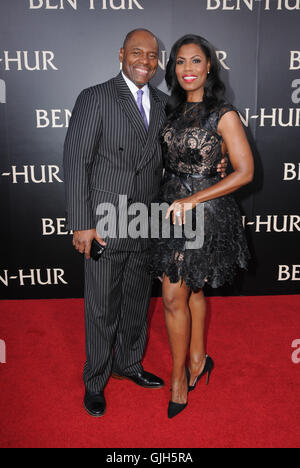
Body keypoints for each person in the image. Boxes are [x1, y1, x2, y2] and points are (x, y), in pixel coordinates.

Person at [64, 29, 227, 418]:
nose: (144, 61)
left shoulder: (163, 102)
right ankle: (96, 380)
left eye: (152, 56)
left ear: (159, 62)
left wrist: (217, 164)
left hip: (149, 220)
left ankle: (129, 364)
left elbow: (184, 151)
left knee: (138, 300)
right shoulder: (96, 97)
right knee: (102, 306)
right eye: (137, 52)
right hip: (105, 219)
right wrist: (82, 223)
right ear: (121, 54)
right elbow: (75, 163)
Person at [148, 34, 254, 419]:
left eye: (195, 61)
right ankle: (196, 359)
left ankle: (178, 378)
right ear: (172, 69)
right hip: (169, 210)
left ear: (210, 66)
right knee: (188, 289)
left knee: (174, 294)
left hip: (204, 212)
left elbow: (245, 171)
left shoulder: (223, 113)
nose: (187, 69)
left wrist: (195, 197)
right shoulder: (170, 112)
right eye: (179, 62)